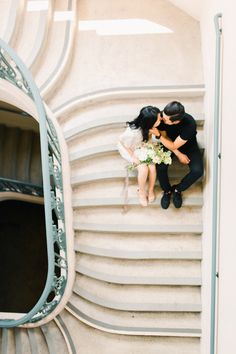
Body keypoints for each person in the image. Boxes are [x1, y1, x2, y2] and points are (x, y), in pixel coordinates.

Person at [150, 101, 204, 209]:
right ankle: (167, 191)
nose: (162, 119)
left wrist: (159, 136)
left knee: (198, 171)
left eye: (165, 119)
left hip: (188, 145)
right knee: (161, 166)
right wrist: (178, 154)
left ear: (176, 121)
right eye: (162, 115)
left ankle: (177, 189)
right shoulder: (161, 116)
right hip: (169, 143)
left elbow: (174, 145)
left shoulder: (190, 125)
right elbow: (168, 140)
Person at [118, 106, 160, 207]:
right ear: (149, 122)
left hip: (142, 145)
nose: (160, 119)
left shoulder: (149, 127)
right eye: (158, 119)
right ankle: (141, 192)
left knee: (152, 167)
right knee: (143, 169)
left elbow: (147, 138)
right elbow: (123, 142)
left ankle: (150, 190)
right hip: (130, 149)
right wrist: (133, 157)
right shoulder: (132, 133)